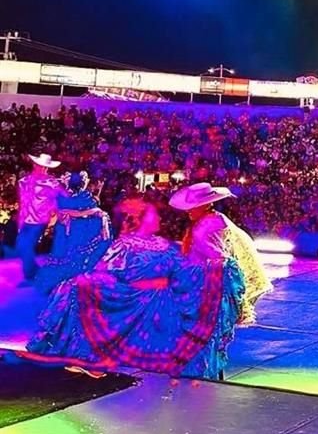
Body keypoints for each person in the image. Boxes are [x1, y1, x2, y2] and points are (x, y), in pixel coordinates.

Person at [23, 198, 245, 380]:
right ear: (139, 219)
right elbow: (108, 274)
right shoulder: (125, 244)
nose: (159, 218)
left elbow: (183, 269)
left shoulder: (162, 243)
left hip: (164, 297)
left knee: (195, 313)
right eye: (153, 215)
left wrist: (215, 268)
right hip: (140, 299)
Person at [171, 182, 272, 324]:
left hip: (206, 279)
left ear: (205, 205)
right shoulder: (214, 218)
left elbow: (217, 254)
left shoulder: (206, 225)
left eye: (193, 207)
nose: (189, 211)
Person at [34, 171, 112, 295]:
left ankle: (58, 284)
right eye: (85, 178)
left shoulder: (63, 197)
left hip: (65, 229)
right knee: (74, 256)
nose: (87, 180)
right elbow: (88, 209)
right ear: (81, 182)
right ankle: (71, 284)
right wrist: (96, 212)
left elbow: (63, 210)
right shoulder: (85, 197)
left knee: (62, 255)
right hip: (78, 231)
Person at [15, 154, 64, 282]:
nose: (42, 169)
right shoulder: (24, 182)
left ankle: (30, 275)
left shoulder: (52, 184)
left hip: (40, 221)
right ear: (34, 165)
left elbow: (63, 199)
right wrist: (20, 222)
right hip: (26, 220)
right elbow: (23, 203)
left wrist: (54, 216)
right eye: (40, 166)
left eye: (45, 167)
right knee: (21, 245)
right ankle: (34, 272)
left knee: (26, 245)